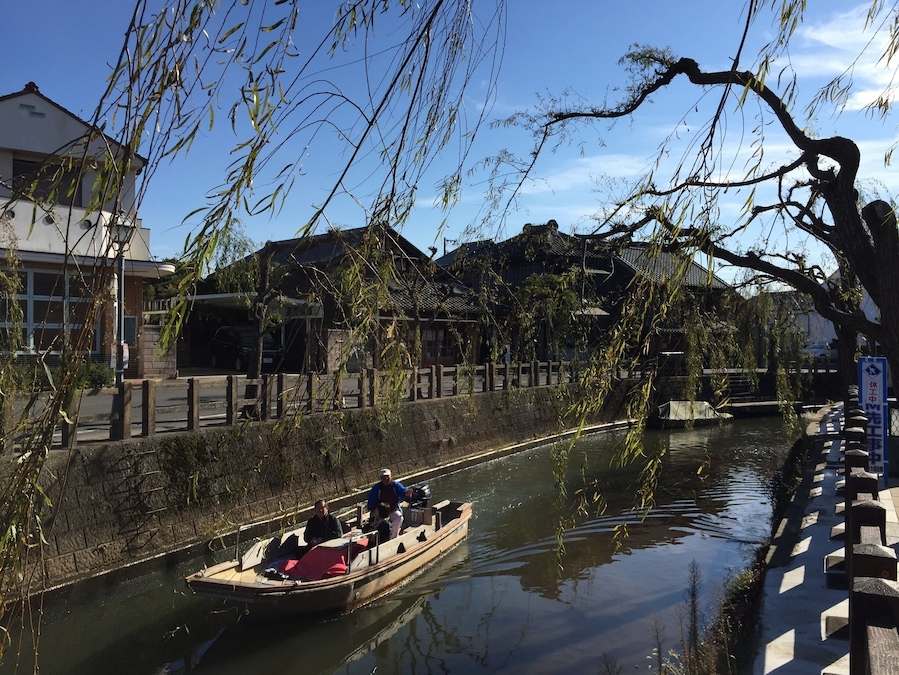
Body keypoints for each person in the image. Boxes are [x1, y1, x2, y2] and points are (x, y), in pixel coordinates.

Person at [366, 468, 411, 540]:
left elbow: (404, 492)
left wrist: (407, 494)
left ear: (391, 477)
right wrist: (374, 511)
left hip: (392, 510)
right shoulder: (376, 488)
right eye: (384, 477)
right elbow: (371, 502)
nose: (386, 479)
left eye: (388, 476)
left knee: (399, 517)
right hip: (380, 513)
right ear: (381, 478)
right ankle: (376, 537)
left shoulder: (395, 485)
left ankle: (392, 537)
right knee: (374, 523)